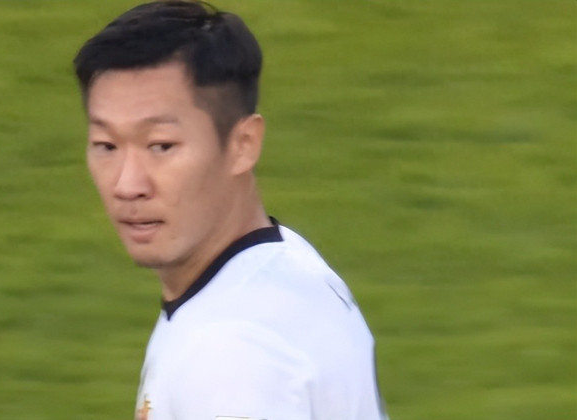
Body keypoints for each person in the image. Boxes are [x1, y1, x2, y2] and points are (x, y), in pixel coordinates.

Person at [73, 1, 388, 419]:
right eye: (107, 146)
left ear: (243, 145)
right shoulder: (283, 264)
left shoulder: (230, 355)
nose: (127, 185)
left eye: (161, 146)